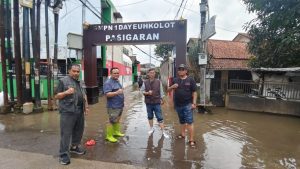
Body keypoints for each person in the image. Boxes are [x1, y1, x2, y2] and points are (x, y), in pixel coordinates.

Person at [54, 64, 89, 165]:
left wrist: (86, 106)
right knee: (66, 134)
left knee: (79, 131)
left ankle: (74, 147)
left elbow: (84, 94)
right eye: (74, 71)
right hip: (67, 111)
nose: (76, 73)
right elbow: (56, 96)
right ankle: (63, 155)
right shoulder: (63, 81)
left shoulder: (81, 82)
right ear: (69, 71)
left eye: (78, 71)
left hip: (79, 110)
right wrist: (66, 92)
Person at [167, 64, 197, 147]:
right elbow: (168, 89)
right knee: (182, 121)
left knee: (189, 122)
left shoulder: (190, 80)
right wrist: (172, 86)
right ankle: (183, 135)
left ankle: (191, 140)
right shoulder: (175, 79)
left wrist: (194, 103)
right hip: (178, 105)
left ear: (186, 71)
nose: (181, 70)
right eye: (179, 69)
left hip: (188, 104)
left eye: (182, 69)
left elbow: (194, 92)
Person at [140, 68, 168, 138]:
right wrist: (147, 93)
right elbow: (141, 91)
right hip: (148, 102)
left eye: (153, 72)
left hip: (156, 102)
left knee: (159, 117)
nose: (152, 74)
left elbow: (161, 92)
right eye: (151, 73)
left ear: (155, 74)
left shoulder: (158, 82)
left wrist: (163, 99)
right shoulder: (145, 82)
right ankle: (151, 128)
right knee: (150, 116)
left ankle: (163, 132)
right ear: (148, 74)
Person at [103, 67, 125, 143]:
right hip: (113, 106)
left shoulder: (117, 81)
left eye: (117, 73)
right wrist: (117, 92)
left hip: (120, 105)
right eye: (115, 73)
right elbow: (107, 94)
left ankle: (116, 132)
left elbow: (120, 90)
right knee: (111, 121)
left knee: (117, 119)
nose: (116, 74)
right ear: (111, 74)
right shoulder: (108, 83)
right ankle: (109, 136)